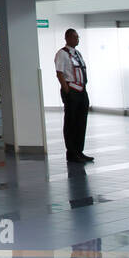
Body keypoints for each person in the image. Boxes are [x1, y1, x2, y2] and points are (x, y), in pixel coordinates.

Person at [54, 29, 92, 163]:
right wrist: (67, 90)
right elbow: (59, 73)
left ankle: (79, 150)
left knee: (81, 121)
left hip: (82, 90)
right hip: (72, 90)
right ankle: (71, 152)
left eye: (78, 37)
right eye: (75, 37)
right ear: (68, 38)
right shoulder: (62, 54)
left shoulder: (77, 53)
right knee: (71, 122)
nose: (78, 39)